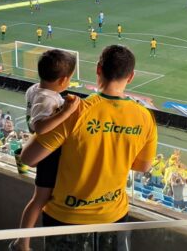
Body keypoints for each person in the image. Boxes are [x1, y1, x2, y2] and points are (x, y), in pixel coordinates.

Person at [20, 45, 158, 249]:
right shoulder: (145, 117)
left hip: (66, 218)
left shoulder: (72, 111)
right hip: (114, 216)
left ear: (98, 69)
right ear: (130, 77)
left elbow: (28, 158)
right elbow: (143, 166)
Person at [11, 50, 79, 251]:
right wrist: (66, 112)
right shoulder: (47, 99)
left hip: (46, 150)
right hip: (49, 154)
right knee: (40, 199)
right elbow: (39, 127)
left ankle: (22, 241)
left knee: (40, 198)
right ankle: (22, 242)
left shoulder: (35, 89)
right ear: (64, 79)